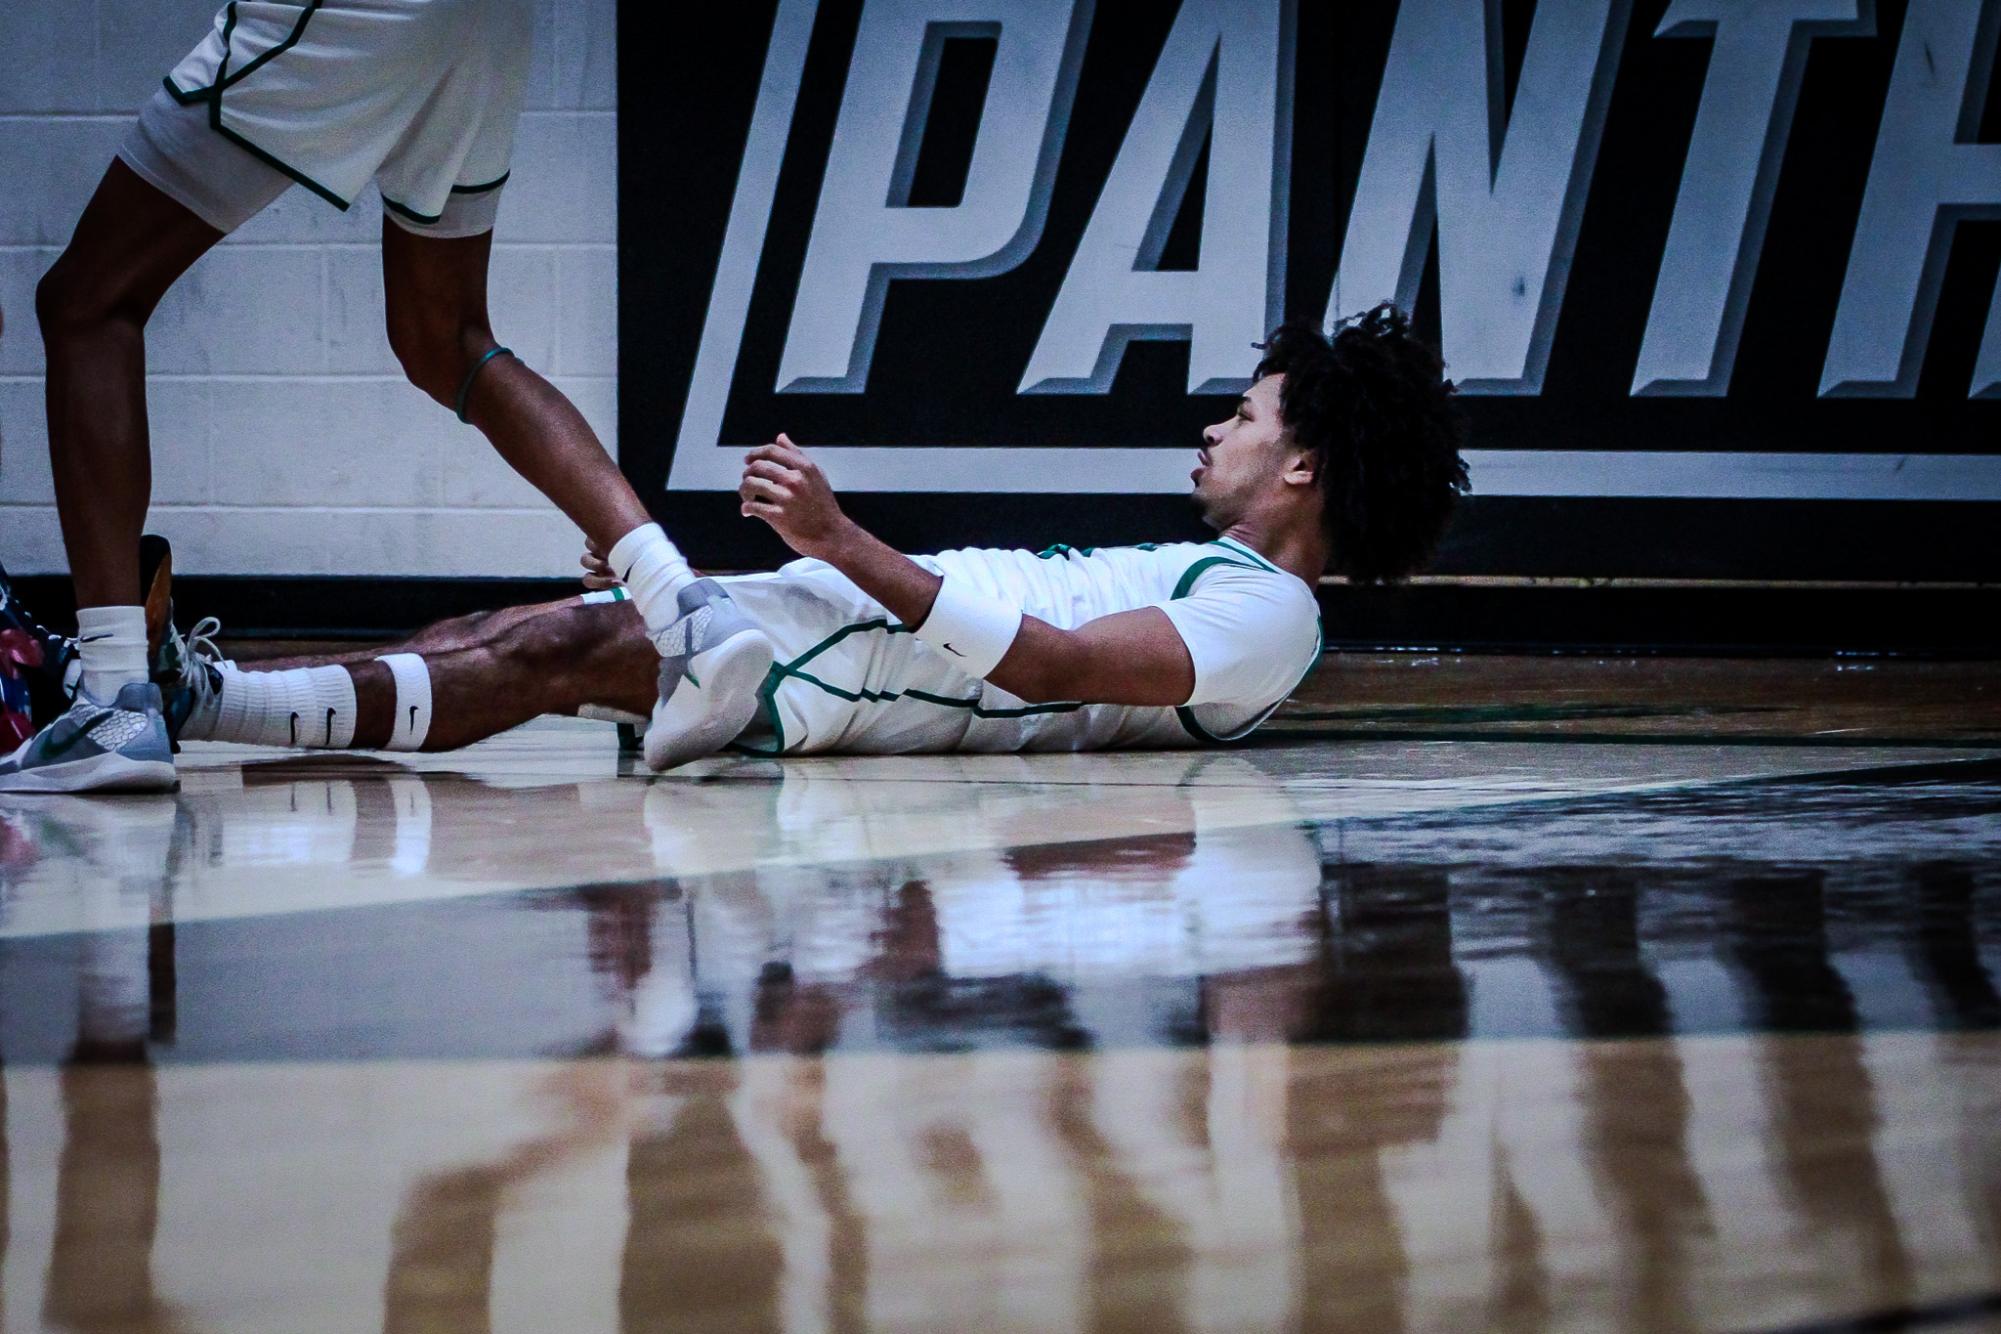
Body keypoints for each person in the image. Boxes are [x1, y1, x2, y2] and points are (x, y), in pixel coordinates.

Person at [4, 306, 1469, 782]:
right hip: (869, 631)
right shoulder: (1224, 578)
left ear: (1304, 462)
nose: (1211, 428)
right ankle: (192, 696)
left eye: (1243, 412)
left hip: (871, 674)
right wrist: (844, 564)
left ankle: (177, 704)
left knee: (550, 650)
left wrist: (845, 541)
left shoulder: (1275, 618)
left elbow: (1064, 664)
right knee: (501, 637)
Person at [1, 0, 734, 793]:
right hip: (494, 20)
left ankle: (112, 695)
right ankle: (685, 604)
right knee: (446, 340)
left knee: (88, 301)